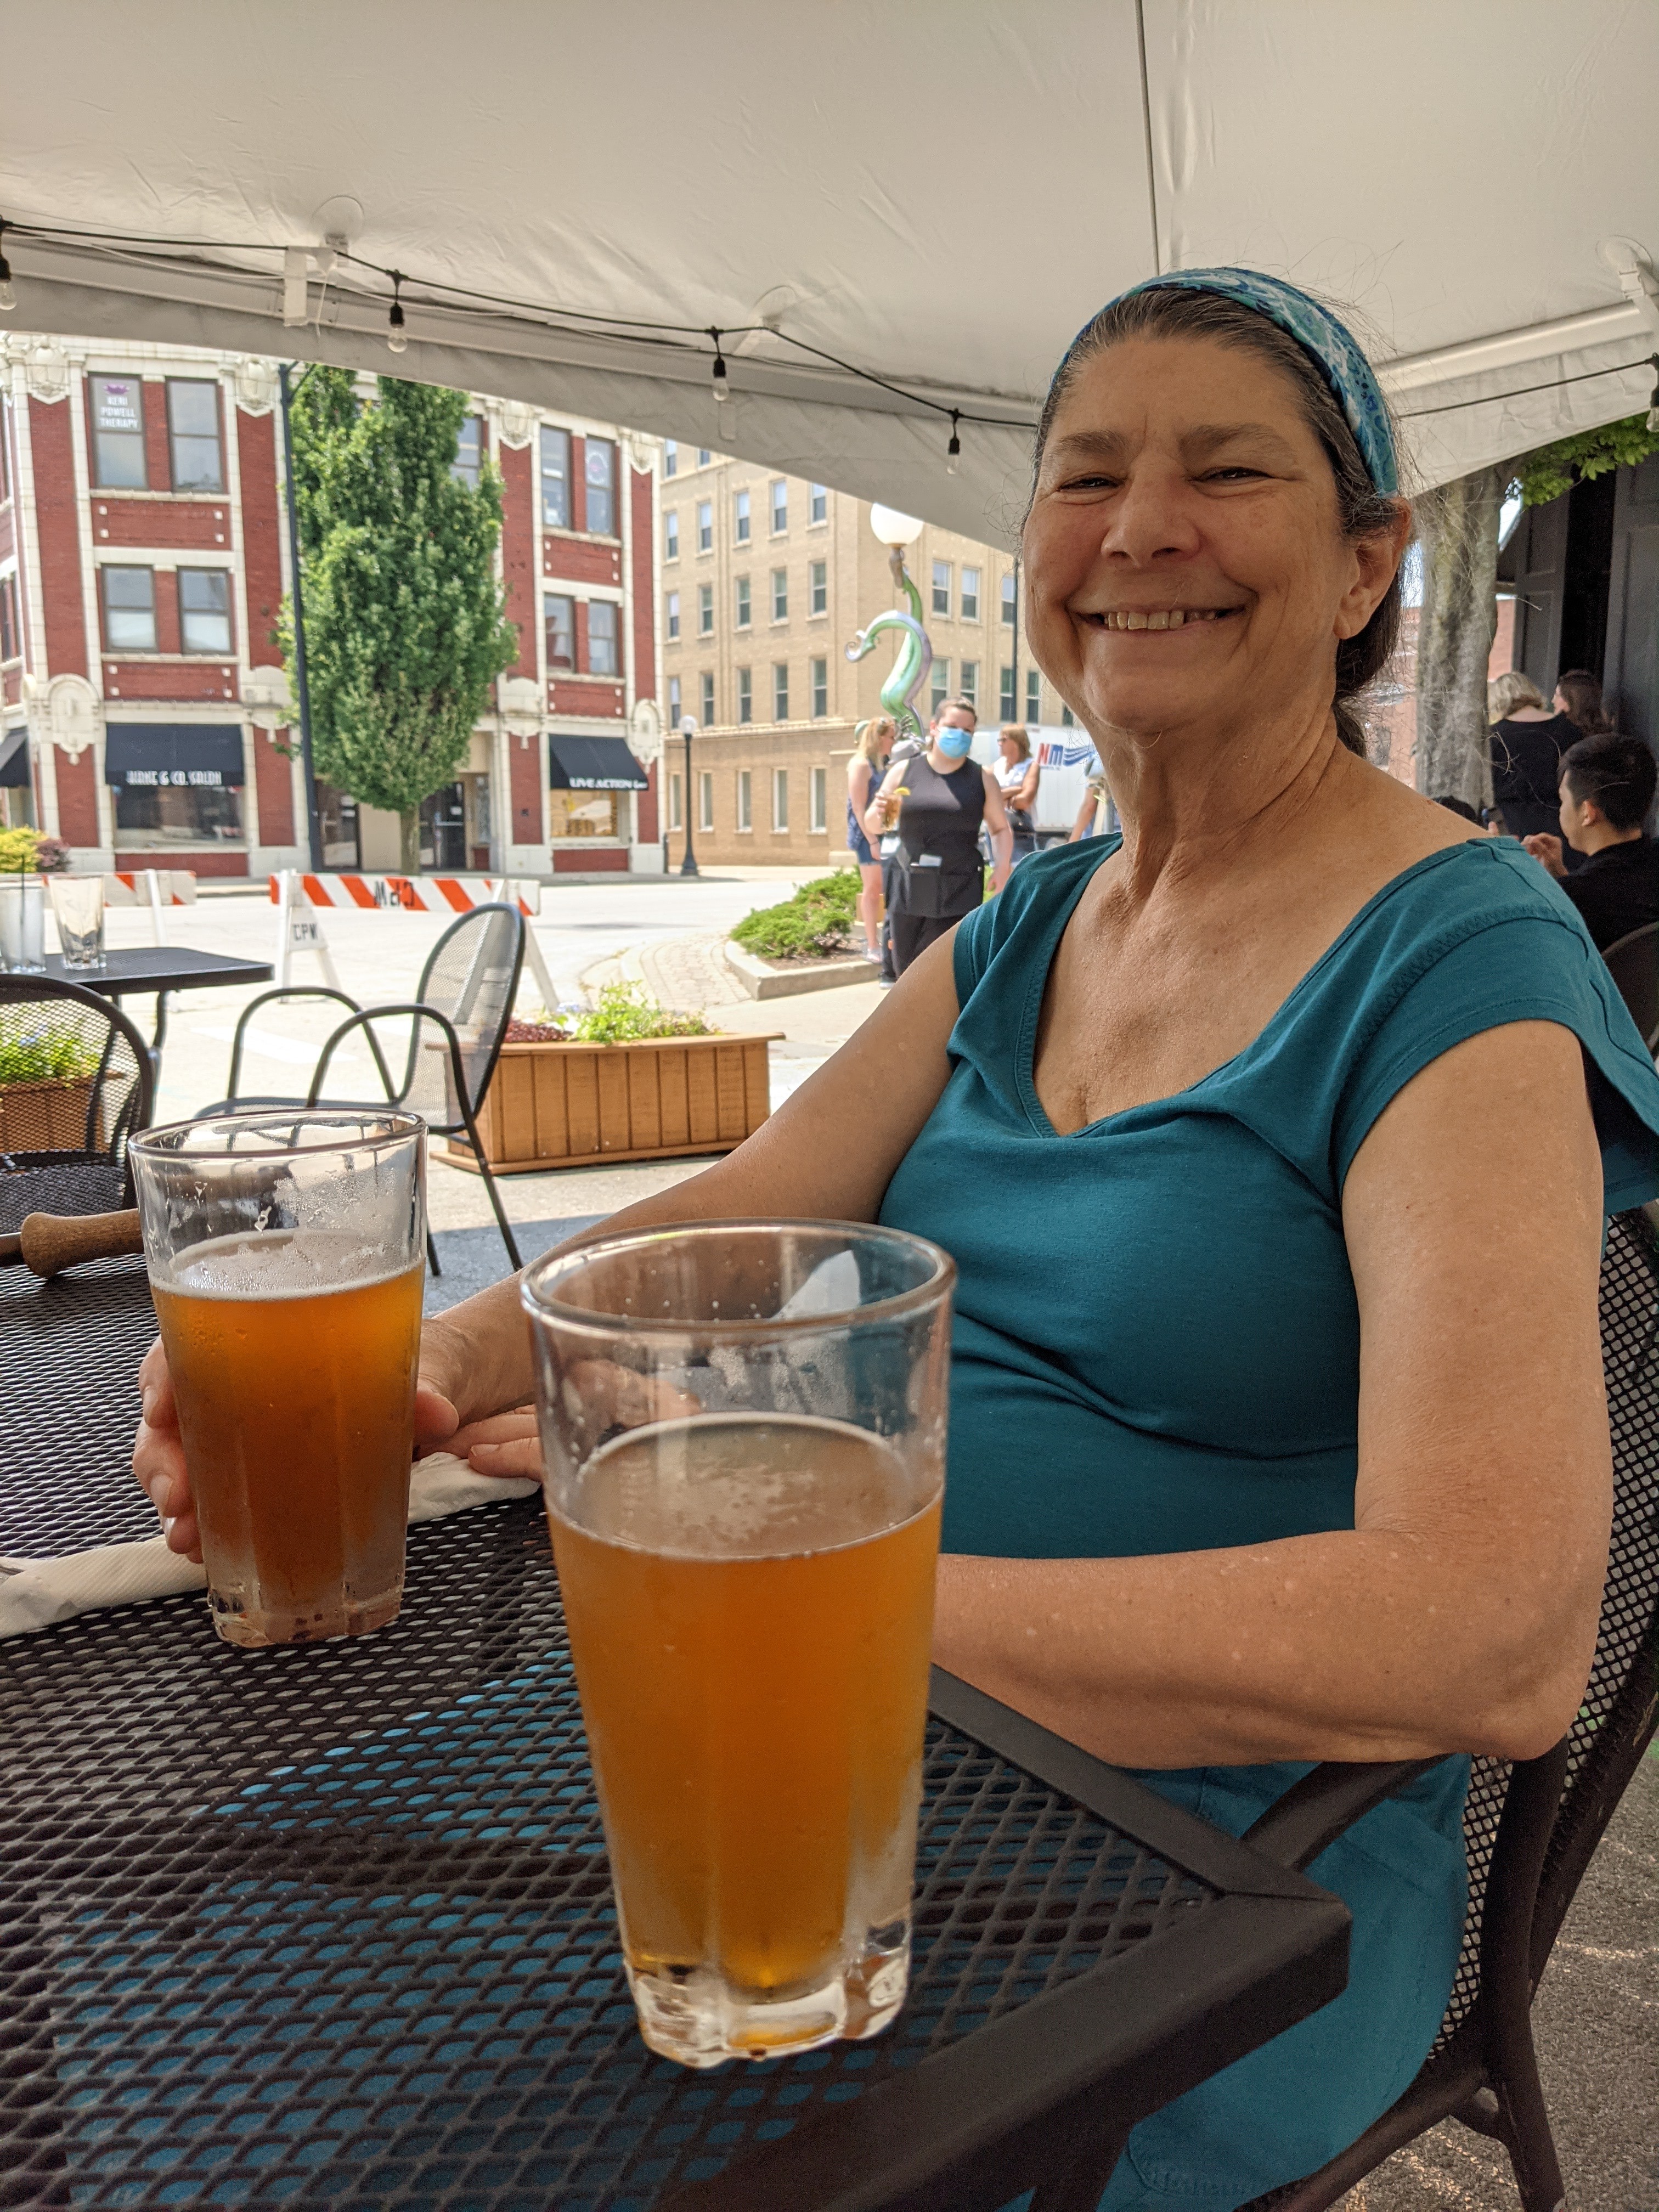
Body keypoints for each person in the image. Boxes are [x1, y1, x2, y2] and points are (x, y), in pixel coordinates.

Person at [135, 270, 1659, 2209]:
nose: (1140, 528)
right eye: (1085, 477)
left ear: (1369, 562)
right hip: (810, 1745)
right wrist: (420, 1359)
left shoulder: (1457, 955)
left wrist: (814, 1622)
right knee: (230, 1985)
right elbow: (735, 1215)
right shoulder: (1033, 922)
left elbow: (1495, 1632)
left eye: (1225, 472)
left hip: (1204, 1888)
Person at [864, 696, 1012, 975]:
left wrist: (1003, 866)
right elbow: (876, 824)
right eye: (953, 726)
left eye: (967, 730)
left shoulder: (982, 778)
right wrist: (879, 812)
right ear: (934, 727)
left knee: (948, 973)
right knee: (907, 972)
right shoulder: (904, 771)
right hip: (910, 885)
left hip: (959, 887)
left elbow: (1000, 828)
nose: (960, 734)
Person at [1523, 729, 1659, 950]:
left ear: (1587, 813)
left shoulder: (1567, 902)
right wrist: (1561, 876)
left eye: (1563, 800)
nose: (1561, 810)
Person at [1488, 671, 1578, 846]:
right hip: (1562, 822)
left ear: (1498, 700)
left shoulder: (1494, 736)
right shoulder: (1569, 729)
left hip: (1513, 825)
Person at [845, 716, 894, 961]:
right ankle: (872, 945)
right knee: (873, 889)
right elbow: (858, 807)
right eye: (891, 737)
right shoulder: (860, 765)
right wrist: (873, 840)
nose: (894, 742)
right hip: (867, 836)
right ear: (879, 738)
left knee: (886, 888)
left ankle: (885, 943)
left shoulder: (882, 764)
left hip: (884, 833)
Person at [993, 725, 1041, 863]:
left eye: (1003, 740)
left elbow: (1025, 801)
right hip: (996, 831)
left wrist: (998, 798)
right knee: (998, 871)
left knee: (1019, 868)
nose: (999, 743)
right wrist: (1014, 790)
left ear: (1016, 742)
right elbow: (986, 796)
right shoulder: (997, 766)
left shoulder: (1031, 766)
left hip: (1019, 832)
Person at [1555, 667, 1614, 737]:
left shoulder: (1562, 734)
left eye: (1558, 696)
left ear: (1574, 700)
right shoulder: (1604, 734)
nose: (1553, 701)